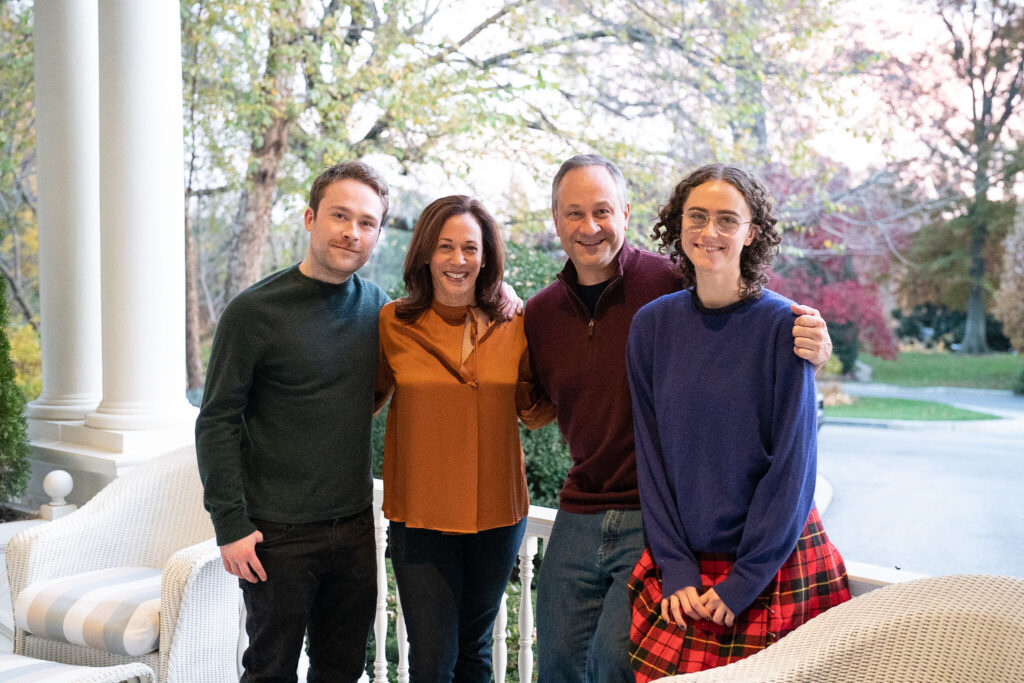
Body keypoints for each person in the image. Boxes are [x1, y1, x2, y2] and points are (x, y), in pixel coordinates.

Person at [524, 154, 834, 682]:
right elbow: (648, 447)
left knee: (614, 665)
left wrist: (819, 344)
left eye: (602, 209)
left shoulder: (771, 320)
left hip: (714, 545)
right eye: (573, 212)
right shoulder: (612, 319)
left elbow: (792, 467)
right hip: (622, 524)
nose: (709, 233)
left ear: (626, 212)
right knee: (560, 665)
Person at [625, 164, 850, 679]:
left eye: (728, 220)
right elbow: (652, 460)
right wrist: (676, 568)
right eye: (697, 216)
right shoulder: (651, 327)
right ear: (677, 225)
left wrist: (744, 580)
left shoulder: (787, 328)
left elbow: (794, 467)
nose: (710, 232)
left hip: (770, 564)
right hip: (683, 567)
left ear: (752, 233)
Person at [196, 161, 390, 682]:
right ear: (310, 218)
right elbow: (216, 421)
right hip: (274, 533)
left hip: (352, 526)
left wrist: (501, 296)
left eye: (367, 222)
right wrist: (230, 524)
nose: (352, 232)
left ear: (378, 234)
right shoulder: (253, 311)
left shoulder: (378, 309)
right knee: (270, 670)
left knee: (344, 669)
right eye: (340, 216)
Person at [375, 195, 553, 683]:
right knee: (432, 662)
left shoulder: (516, 321)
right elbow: (357, 401)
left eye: (470, 248)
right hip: (421, 517)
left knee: (475, 653)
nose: (458, 260)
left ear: (486, 255)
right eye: (445, 246)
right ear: (426, 254)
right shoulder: (393, 323)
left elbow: (534, 411)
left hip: (497, 514)